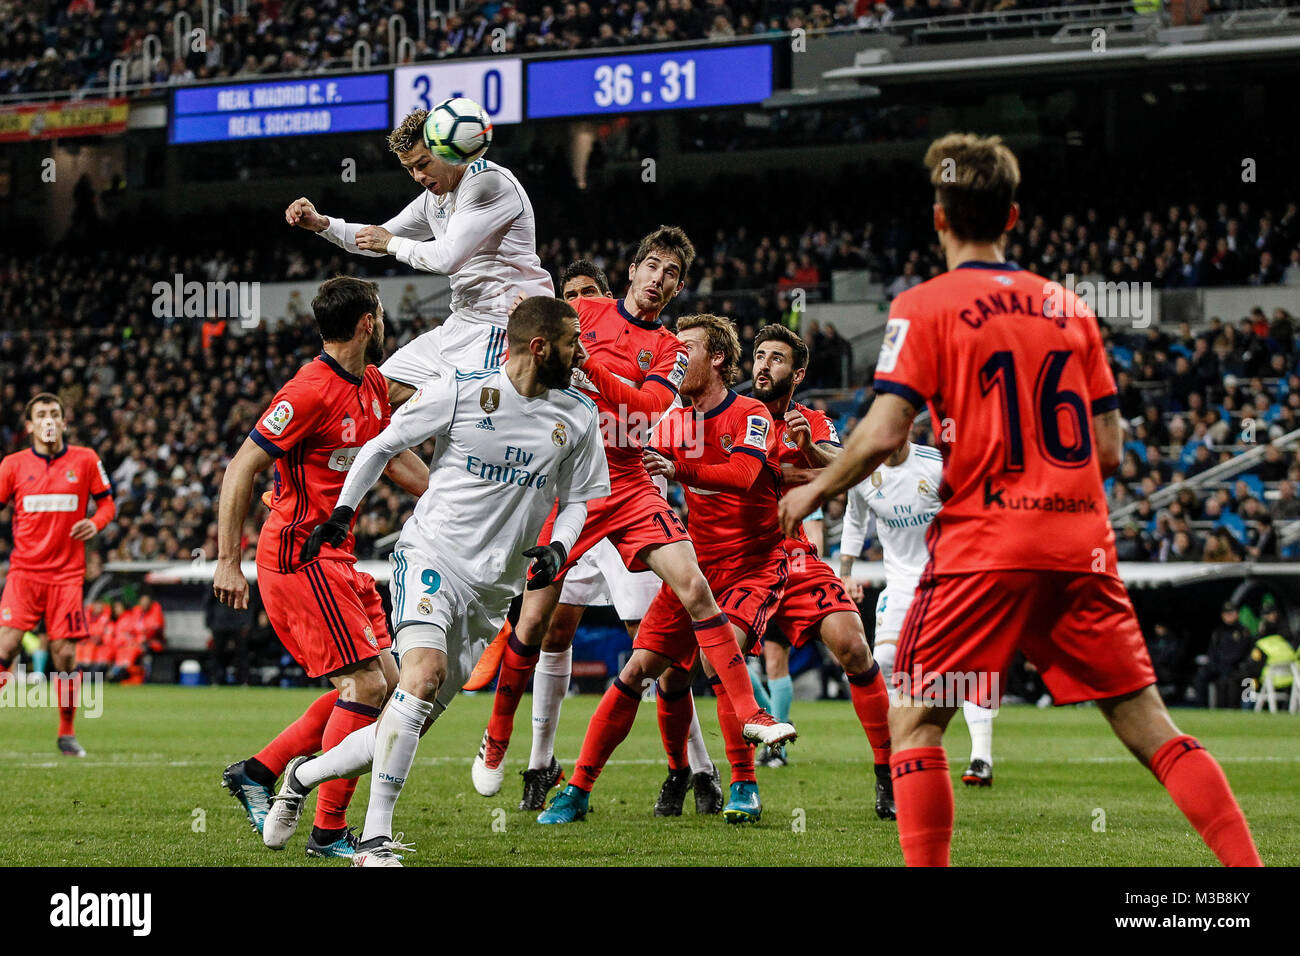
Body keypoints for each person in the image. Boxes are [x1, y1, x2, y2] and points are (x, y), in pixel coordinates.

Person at [780, 132, 1261, 866]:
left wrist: (815, 486)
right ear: (1013, 218)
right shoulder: (1070, 308)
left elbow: (882, 432)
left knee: (915, 727)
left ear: (939, 218)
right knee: (1152, 729)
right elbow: (1110, 452)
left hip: (983, 547)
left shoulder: (924, 305)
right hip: (1078, 546)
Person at [260, 296, 612, 866]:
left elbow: (579, 500)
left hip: (493, 589)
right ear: (540, 347)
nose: (582, 354)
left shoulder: (577, 415)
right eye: (573, 342)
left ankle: (304, 777)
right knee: (421, 677)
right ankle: (374, 839)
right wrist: (343, 516)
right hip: (432, 557)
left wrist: (559, 545)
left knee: (407, 719)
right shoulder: (461, 389)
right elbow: (381, 446)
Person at [469, 227, 793, 808]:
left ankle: (747, 716)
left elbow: (646, 407)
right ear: (634, 269)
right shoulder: (581, 311)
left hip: (630, 481)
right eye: (652, 266)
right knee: (534, 622)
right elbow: (524, 348)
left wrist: (591, 368)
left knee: (692, 590)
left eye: (672, 274)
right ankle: (497, 742)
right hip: (567, 485)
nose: (659, 280)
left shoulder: (671, 348)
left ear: (677, 287)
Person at [540, 313, 797, 826]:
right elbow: (626, 431)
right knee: (638, 671)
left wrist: (678, 468)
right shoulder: (670, 421)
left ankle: (744, 785)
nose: (676, 362)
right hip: (699, 564)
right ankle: (578, 789)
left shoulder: (750, 413)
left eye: (688, 352)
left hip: (753, 566)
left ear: (717, 358)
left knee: (717, 660)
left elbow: (745, 475)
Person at [214, 276, 430, 859]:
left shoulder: (374, 386)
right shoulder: (308, 390)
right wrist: (228, 563)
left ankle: (259, 772)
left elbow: (394, 458)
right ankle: (326, 829)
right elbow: (240, 469)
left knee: (390, 689)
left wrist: (450, 501)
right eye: (381, 314)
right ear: (367, 322)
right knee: (363, 684)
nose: (384, 323)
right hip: (297, 553)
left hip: (335, 555)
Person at [284, 103, 552, 408]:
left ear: (446, 149)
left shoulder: (487, 183)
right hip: (461, 322)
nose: (417, 176)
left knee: (460, 430)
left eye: (423, 163)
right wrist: (323, 224)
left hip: (500, 326)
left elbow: (447, 257)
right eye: (409, 168)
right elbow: (375, 238)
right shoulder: (433, 200)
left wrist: (391, 243)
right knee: (373, 397)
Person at [749, 324, 896, 818]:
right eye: (759, 356)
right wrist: (792, 475)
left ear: (798, 372)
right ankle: (707, 775)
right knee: (692, 663)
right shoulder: (731, 413)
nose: (764, 365)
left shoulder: (812, 420)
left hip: (796, 558)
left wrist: (810, 449)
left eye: (776, 358)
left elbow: (850, 468)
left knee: (854, 646)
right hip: (741, 560)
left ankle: (886, 771)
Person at [0, 393, 116, 757]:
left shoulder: (85, 460)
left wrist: (95, 523)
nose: (48, 420)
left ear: (64, 423)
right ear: (30, 426)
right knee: (7, 644)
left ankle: (66, 732)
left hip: (66, 576)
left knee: (64, 653)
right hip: (24, 572)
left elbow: (108, 503)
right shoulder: (12, 465)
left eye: (54, 413)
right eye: (41, 415)